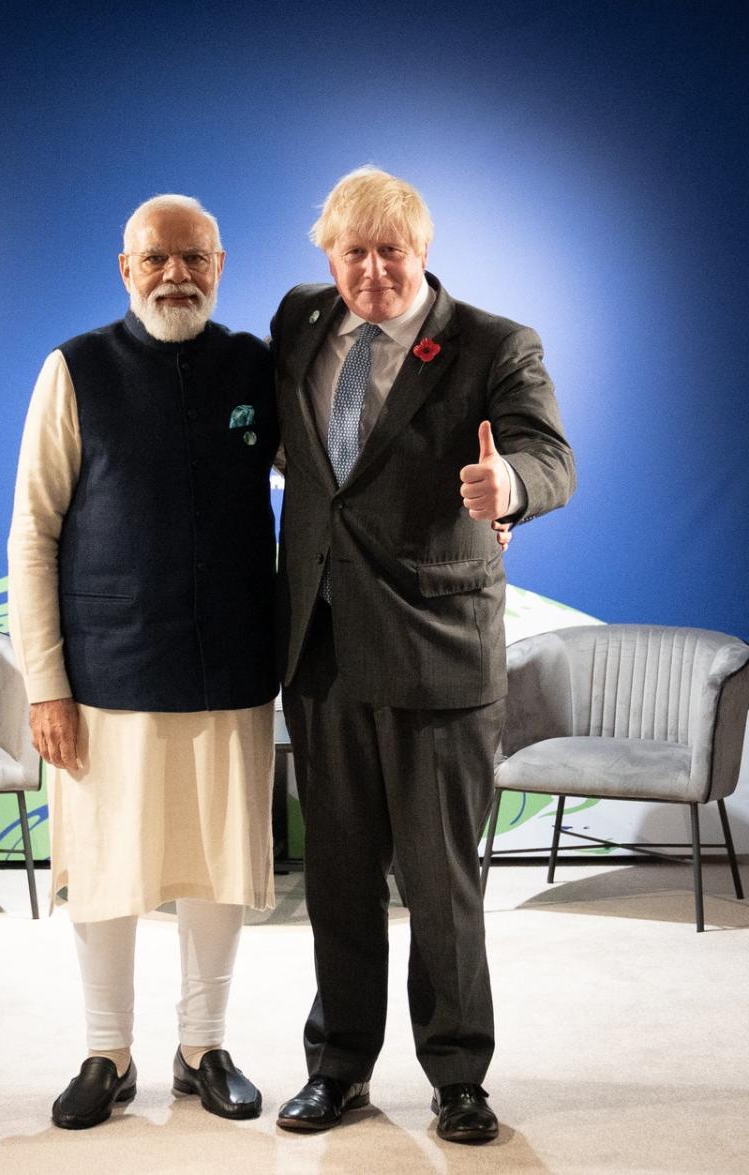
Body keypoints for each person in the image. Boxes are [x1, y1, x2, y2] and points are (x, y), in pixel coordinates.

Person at [271, 167, 575, 1143]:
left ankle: (457, 1078)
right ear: (328, 255)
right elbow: (307, 459)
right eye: (352, 252)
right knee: (338, 878)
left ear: (424, 249)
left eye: (389, 251)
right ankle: (339, 1066)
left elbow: (548, 455)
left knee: (442, 886)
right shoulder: (300, 321)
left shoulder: (494, 344)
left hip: (438, 652)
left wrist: (508, 486)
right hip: (321, 649)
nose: (371, 272)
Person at [7, 194, 278, 1129]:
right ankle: (105, 1052)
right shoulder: (75, 369)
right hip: (106, 674)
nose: (177, 274)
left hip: (232, 664)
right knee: (108, 866)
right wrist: (45, 681)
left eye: (195, 257)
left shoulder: (254, 367)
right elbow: (33, 532)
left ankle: (203, 1046)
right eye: (158, 257)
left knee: (216, 863)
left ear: (220, 263)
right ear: (126, 269)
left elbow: (332, 493)